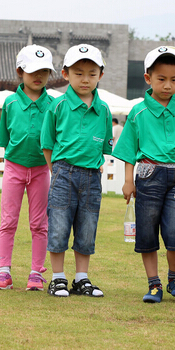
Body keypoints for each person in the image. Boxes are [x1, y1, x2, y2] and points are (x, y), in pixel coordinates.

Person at [112, 46, 175, 303]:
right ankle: (154, 284)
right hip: (147, 176)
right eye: (161, 79)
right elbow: (128, 151)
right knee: (147, 231)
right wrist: (128, 181)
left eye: (174, 80)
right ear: (148, 78)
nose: (168, 85)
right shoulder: (138, 112)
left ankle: (174, 279)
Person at [40, 44, 112, 297]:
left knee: (87, 227)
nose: (85, 79)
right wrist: (57, 171)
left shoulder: (103, 110)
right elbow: (47, 144)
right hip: (63, 173)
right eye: (78, 73)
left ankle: (81, 278)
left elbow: (105, 146)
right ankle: (57, 278)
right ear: (65, 74)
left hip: (92, 176)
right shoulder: (57, 106)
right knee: (59, 224)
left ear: (100, 75)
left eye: (92, 74)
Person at [0, 45, 54, 291]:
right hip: (14, 168)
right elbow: (4, 138)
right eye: (32, 71)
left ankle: (36, 273)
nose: (38, 76)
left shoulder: (54, 105)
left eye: (44, 71)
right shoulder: (10, 103)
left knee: (39, 224)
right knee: (8, 221)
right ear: (20, 71)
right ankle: (3, 271)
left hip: (41, 170)